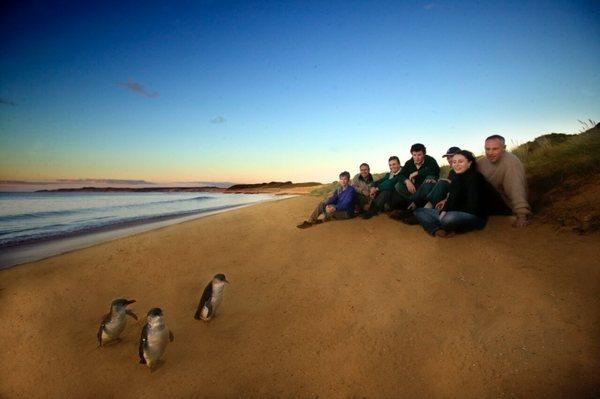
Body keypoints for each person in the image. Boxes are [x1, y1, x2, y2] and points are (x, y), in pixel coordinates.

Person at [414, 150, 488, 237]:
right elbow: (451, 199)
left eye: (460, 162)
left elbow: (473, 206)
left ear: (469, 163)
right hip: (454, 212)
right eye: (454, 162)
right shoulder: (456, 177)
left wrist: (446, 212)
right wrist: (444, 210)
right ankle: (435, 229)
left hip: (473, 215)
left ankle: (444, 225)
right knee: (419, 211)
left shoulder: (476, 177)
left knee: (447, 219)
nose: (456, 165)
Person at [476, 134, 531, 227]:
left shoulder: (511, 163)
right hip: (486, 203)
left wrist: (522, 215)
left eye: (495, 149)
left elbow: (516, 188)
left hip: (505, 205)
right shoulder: (480, 162)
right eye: (487, 149)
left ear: (504, 148)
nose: (490, 153)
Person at [395, 143, 440, 208]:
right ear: (412, 154)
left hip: (427, 186)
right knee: (398, 185)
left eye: (419, 155)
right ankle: (417, 202)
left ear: (424, 154)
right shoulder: (409, 163)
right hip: (415, 187)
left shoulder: (430, 160)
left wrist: (418, 172)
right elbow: (400, 175)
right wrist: (407, 181)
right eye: (414, 155)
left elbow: (436, 170)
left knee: (429, 178)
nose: (416, 158)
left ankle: (413, 203)